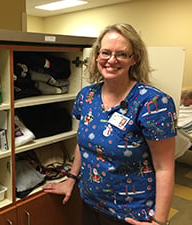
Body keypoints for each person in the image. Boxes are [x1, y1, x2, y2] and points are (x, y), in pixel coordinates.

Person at [43, 23, 176, 225]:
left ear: (135, 59)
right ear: (96, 56)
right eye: (105, 52)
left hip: (131, 216)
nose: (111, 60)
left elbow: (164, 167)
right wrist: (71, 178)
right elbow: (84, 142)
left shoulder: (153, 103)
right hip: (90, 203)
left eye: (122, 54)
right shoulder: (86, 97)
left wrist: (159, 222)